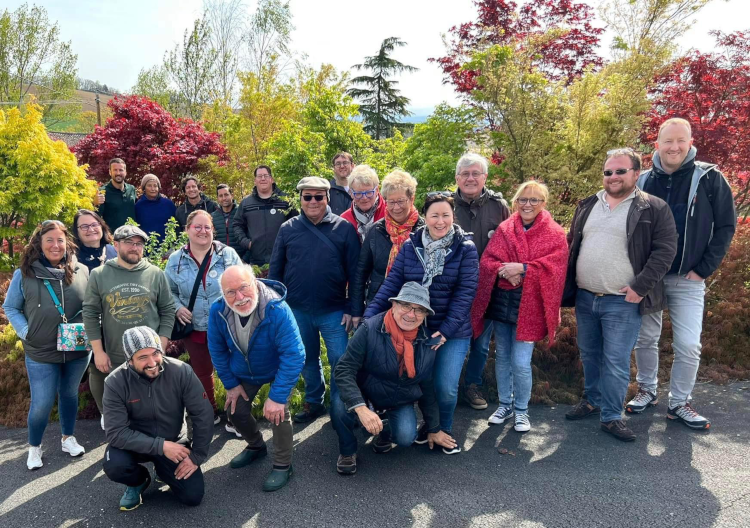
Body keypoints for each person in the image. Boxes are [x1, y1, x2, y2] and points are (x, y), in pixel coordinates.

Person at [628, 118, 737, 429]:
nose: (674, 147)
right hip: (649, 276)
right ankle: (647, 390)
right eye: (668, 141)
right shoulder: (642, 181)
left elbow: (726, 226)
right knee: (646, 338)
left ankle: (679, 402)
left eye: (680, 140)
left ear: (690, 143)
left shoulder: (710, 178)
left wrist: (703, 270)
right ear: (657, 145)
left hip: (688, 277)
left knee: (688, 345)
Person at [562, 148, 677, 442]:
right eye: (608, 172)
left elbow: (665, 251)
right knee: (589, 354)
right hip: (586, 297)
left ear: (636, 173)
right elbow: (572, 243)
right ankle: (592, 400)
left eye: (620, 171)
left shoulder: (653, 208)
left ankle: (612, 416)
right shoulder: (588, 204)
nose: (613, 176)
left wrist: (640, 287)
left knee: (615, 360)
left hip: (622, 301)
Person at [364, 193, 479, 452]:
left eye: (446, 215)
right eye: (434, 215)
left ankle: (442, 429)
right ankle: (427, 426)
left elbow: (465, 294)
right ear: (425, 217)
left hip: (452, 330)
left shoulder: (465, 249)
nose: (440, 221)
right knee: (420, 382)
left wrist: (446, 331)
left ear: (453, 216)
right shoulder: (411, 246)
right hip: (416, 327)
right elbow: (391, 285)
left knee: (445, 387)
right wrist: (369, 319)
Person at [469, 181, 568, 433]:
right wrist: (506, 271)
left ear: (543, 203)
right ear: (515, 202)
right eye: (523, 199)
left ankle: (522, 410)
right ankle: (505, 405)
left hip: (530, 307)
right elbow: (488, 260)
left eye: (534, 200)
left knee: (521, 362)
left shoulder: (554, 233)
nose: (527, 204)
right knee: (502, 356)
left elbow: (556, 267)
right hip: (504, 303)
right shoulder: (505, 228)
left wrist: (523, 269)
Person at [332, 282, 458, 474]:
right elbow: (344, 369)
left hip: (397, 398)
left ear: (425, 315)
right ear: (394, 304)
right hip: (365, 392)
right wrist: (361, 408)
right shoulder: (369, 329)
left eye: (419, 310)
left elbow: (426, 387)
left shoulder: (426, 342)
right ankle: (348, 451)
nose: (411, 314)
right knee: (340, 405)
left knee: (406, 437)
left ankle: (385, 431)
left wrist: (434, 428)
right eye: (406, 305)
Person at [268, 176, 360, 423]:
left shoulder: (344, 229)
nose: (313, 201)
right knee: (307, 358)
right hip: (297, 309)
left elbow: (356, 274)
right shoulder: (288, 229)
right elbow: (275, 272)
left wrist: (353, 308)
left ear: (327, 198)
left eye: (318, 196)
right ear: (300, 199)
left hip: (334, 310)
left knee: (340, 360)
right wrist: (276, 307)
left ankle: (341, 409)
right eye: (307, 196)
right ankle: (314, 401)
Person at [208, 265, 305, 491]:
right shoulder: (218, 310)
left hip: (278, 369)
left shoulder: (276, 309)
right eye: (231, 292)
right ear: (223, 294)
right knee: (235, 411)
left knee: (278, 414)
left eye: (244, 287)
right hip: (245, 371)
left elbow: (294, 354)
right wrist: (231, 384)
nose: (239, 297)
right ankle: (256, 446)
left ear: (255, 283)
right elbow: (217, 350)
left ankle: (283, 465)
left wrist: (277, 397)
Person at [3, 220, 90, 470]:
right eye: (49, 240)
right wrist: (26, 331)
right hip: (40, 350)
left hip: (77, 347)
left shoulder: (82, 271)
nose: (55, 245)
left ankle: (67, 438)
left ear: (67, 243)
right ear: (39, 244)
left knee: (69, 395)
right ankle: (34, 447)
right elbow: (11, 307)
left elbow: (92, 306)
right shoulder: (25, 273)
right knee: (41, 403)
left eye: (60, 240)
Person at [102, 326, 213, 511]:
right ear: (129, 360)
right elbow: (116, 433)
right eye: (142, 357)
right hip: (136, 444)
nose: (152, 362)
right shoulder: (115, 382)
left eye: (155, 353)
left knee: (192, 496)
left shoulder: (181, 371)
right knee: (115, 465)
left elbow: (203, 414)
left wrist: (196, 456)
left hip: (174, 442)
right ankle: (139, 481)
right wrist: (160, 446)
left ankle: (163, 470)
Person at [82, 225, 176, 425]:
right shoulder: (99, 274)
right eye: (129, 243)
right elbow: (90, 314)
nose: (135, 247)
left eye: (139, 244)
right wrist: (98, 351)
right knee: (119, 411)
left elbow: (168, 310)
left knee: (150, 409)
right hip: (116, 355)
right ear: (115, 245)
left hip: (149, 356)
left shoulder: (155, 274)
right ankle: (111, 421)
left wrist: (161, 344)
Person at [165, 210, 242, 423]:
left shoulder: (228, 255)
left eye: (207, 227)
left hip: (228, 324)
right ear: (187, 230)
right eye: (197, 227)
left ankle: (236, 416)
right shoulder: (176, 260)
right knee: (202, 371)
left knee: (234, 370)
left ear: (213, 230)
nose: (203, 231)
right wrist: (178, 307)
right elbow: (167, 290)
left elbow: (244, 282)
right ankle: (210, 412)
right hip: (194, 325)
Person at [454, 153, 511, 411]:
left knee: (481, 343)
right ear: (457, 178)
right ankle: (448, 387)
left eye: (475, 173)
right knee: (452, 338)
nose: (470, 178)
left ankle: (472, 386)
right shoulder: (446, 204)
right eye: (465, 174)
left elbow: (511, 243)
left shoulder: (500, 207)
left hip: (488, 288)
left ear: (485, 177)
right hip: (454, 288)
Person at [350, 170, 423, 327]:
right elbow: (360, 273)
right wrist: (356, 311)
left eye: (401, 201)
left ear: (412, 198)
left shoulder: (424, 231)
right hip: (380, 304)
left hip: (415, 309)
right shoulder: (376, 231)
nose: (396, 207)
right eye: (391, 202)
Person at [232, 166, 297, 266]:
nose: (263, 179)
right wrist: (246, 243)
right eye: (259, 176)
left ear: (272, 179)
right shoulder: (246, 203)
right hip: (256, 261)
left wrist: (289, 244)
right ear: (255, 181)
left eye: (266, 176)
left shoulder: (285, 200)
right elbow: (237, 225)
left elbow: (296, 224)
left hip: (283, 259)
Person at [340, 165, 387, 242]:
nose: (364, 198)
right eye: (358, 193)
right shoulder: (344, 219)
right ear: (351, 193)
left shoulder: (390, 211)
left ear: (377, 190)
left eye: (369, 192)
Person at [96, 157, 137, 231]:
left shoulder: (131, 189)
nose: (118, 173)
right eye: (115, 170)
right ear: (110, 172)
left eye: (121, 170)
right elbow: (96, 217)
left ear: (125, 172)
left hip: (132, 234)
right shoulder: (102, 192)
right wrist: (95, 204)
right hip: (114, 235)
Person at [72, 209, 117, 274]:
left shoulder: (115, 251)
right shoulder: (72, 257)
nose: (91, 229)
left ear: (101, 226)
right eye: (84, 226)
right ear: (76, 231)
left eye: (94, 225)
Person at [134, 174, 176, 241]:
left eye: (155, 186)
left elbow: (176, 225)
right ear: (144, 188)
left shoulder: (168, 204)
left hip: (167, 244)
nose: (153, 189)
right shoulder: (138, 206)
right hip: (146, 244)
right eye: (149, 186)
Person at [211, 184, 245, 258]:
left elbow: (250, 236)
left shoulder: (241, 213)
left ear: (231, 195)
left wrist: (245, 259)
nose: (224, 198)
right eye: (221, 196)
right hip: (220, 259)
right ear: (217, 198)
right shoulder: (213, 217)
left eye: (226, 195)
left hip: (241, 258)